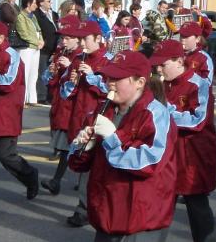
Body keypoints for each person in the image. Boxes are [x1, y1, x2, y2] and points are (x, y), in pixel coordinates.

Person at [68, 50, 177, 242]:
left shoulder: (157, 114)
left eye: (118, 78)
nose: (110, 82)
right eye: (109, 76)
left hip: (142, 214)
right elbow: (79, 165)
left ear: (140, 83)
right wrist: (82, 148)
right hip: (108, 210)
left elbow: (149, 163)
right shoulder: (103, 109)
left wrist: (111, 138)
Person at [150, 40, 216, 242]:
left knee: (196, 203)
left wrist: (165, 112)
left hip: (192, 153)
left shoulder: (199, 84)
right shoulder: (161, 83)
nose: (159, 69)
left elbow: (198, 120)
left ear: (180, 61)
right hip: (168, 152)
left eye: (163, 65)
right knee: (160, 204)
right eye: (157, 65)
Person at [56, 21, 113, 227]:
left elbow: (113, 91)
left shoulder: (110, 60)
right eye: (80, 39)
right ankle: (86, 206)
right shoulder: (78, 58)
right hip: (79, 118)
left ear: (98, 38)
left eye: (85, 39)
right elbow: (64, 92)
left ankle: (87, 208)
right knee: (83, 164)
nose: (82, 43)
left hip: (100, 120)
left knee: (98, 168)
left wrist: (93, 77)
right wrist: (71, 81)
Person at [0, 21, 39, 206]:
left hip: (6, 116)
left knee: (7, 157)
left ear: (0, 37)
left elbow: (8, 83)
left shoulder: (11, 56)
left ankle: (30, 176)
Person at [41, 17, 82, 192]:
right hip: (60, 103)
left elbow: (84, 81)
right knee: (68, 146)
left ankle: (56, 181)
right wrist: (51, 72)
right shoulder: (60, 52)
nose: (63, 41)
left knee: (69, 146)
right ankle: (78, 180)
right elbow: (47, 81)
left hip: (74, 106)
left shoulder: (81, 56)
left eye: (67, 38)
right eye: (62, 38)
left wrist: (71, 66)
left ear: (77, 39)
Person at [16, 0, 44, 105]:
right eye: (34, 3)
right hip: (26, 48)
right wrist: (37, 42)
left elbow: (39, 30)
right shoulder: (20, 17)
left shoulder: (33, 16)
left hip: (36, 48)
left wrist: (41, 40)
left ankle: (32, 99)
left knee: (33, 74)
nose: (36, 5)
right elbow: (23, 33)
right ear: (28, 3)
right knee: (25, 73)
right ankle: (22, 99)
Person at [34, 0, 59, 104]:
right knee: (42, 72)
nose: (50, 3)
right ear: (41, 3)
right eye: (48, 1)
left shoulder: (53, 14)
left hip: (54, 47)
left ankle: (50, 95)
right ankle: (41, 96)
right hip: (44, 48)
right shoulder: (37, 15)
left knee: (51, 71)